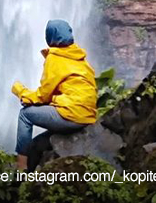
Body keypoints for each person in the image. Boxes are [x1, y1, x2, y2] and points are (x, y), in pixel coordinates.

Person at [11, 19, 97, 170]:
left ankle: (20, 166)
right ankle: (31, 170)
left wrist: (20, 91)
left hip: (70, 114)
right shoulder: (79, 58)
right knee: (37, 144)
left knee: (25, 115)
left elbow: (43, 96)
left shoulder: (55, 58)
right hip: (86, 115)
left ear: (49, 36)